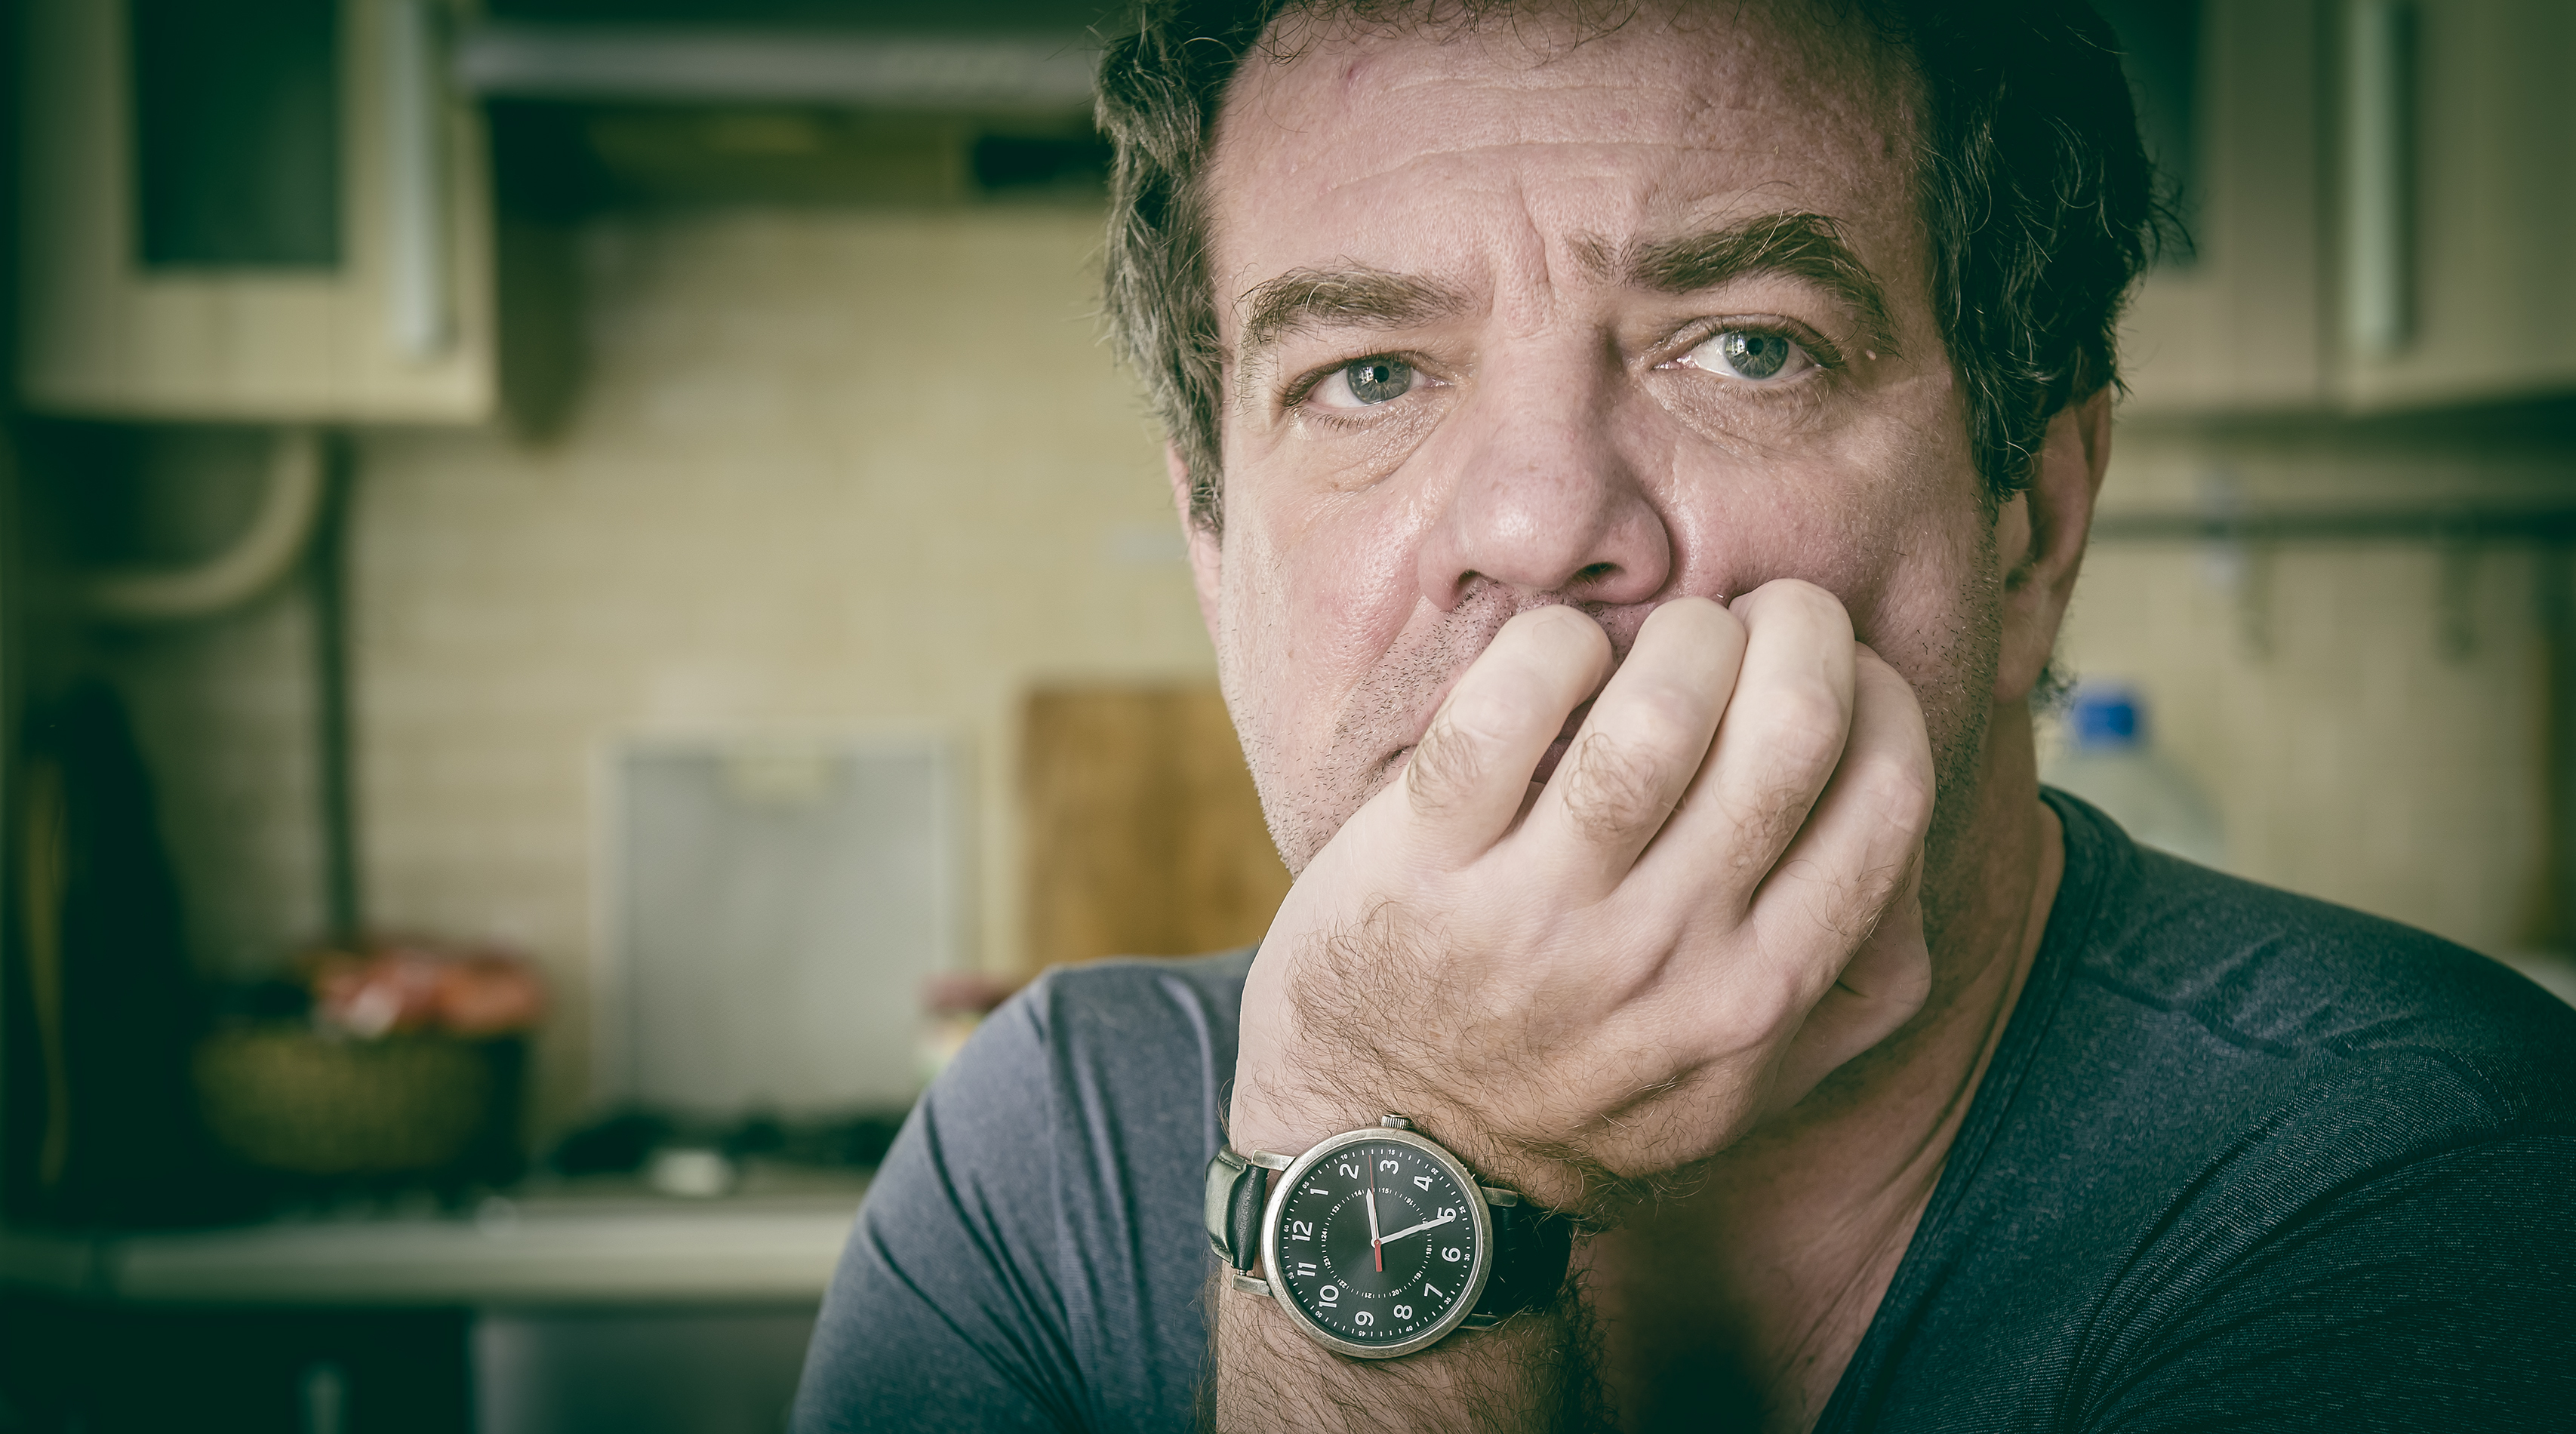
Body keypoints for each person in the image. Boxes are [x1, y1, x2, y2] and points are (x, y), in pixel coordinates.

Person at [792, 0, 2576, 1427]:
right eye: (1369, 376)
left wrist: (1399, 1156)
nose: (1537, 519)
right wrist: (1388, 1125)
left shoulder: (2420, 1160)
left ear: (2032, 507)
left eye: (1748, 343)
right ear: (1214, 545)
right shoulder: (1048, 1155)